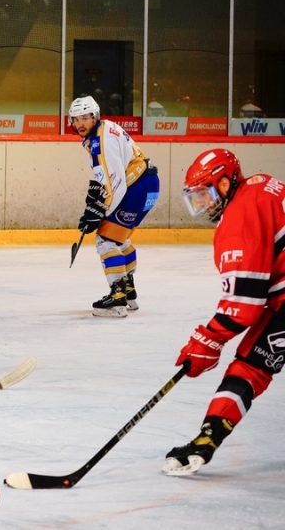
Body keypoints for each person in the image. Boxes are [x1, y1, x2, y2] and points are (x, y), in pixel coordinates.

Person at [162, 149, 284, 476]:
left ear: (226, 183)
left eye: (204, 194)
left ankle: (208, 437)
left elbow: (244, 305)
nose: (201, 205)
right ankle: (208, 438)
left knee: (251, 366)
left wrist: (208, 339)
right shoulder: (261, 186)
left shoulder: (240, 215)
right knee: (252, 363)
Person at [69, 95, 160, 318]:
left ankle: (117, 296)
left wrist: (99, 210)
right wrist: (99, 195)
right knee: (120, 237)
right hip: (146, 185)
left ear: (95, 117)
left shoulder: (100, 140)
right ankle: (129, 290)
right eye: (76, 119)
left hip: (135, 188)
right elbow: (113, 175)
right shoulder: (105, 129)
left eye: (86, 118)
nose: (81, 123)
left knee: (106, 239)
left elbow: (117, 181)